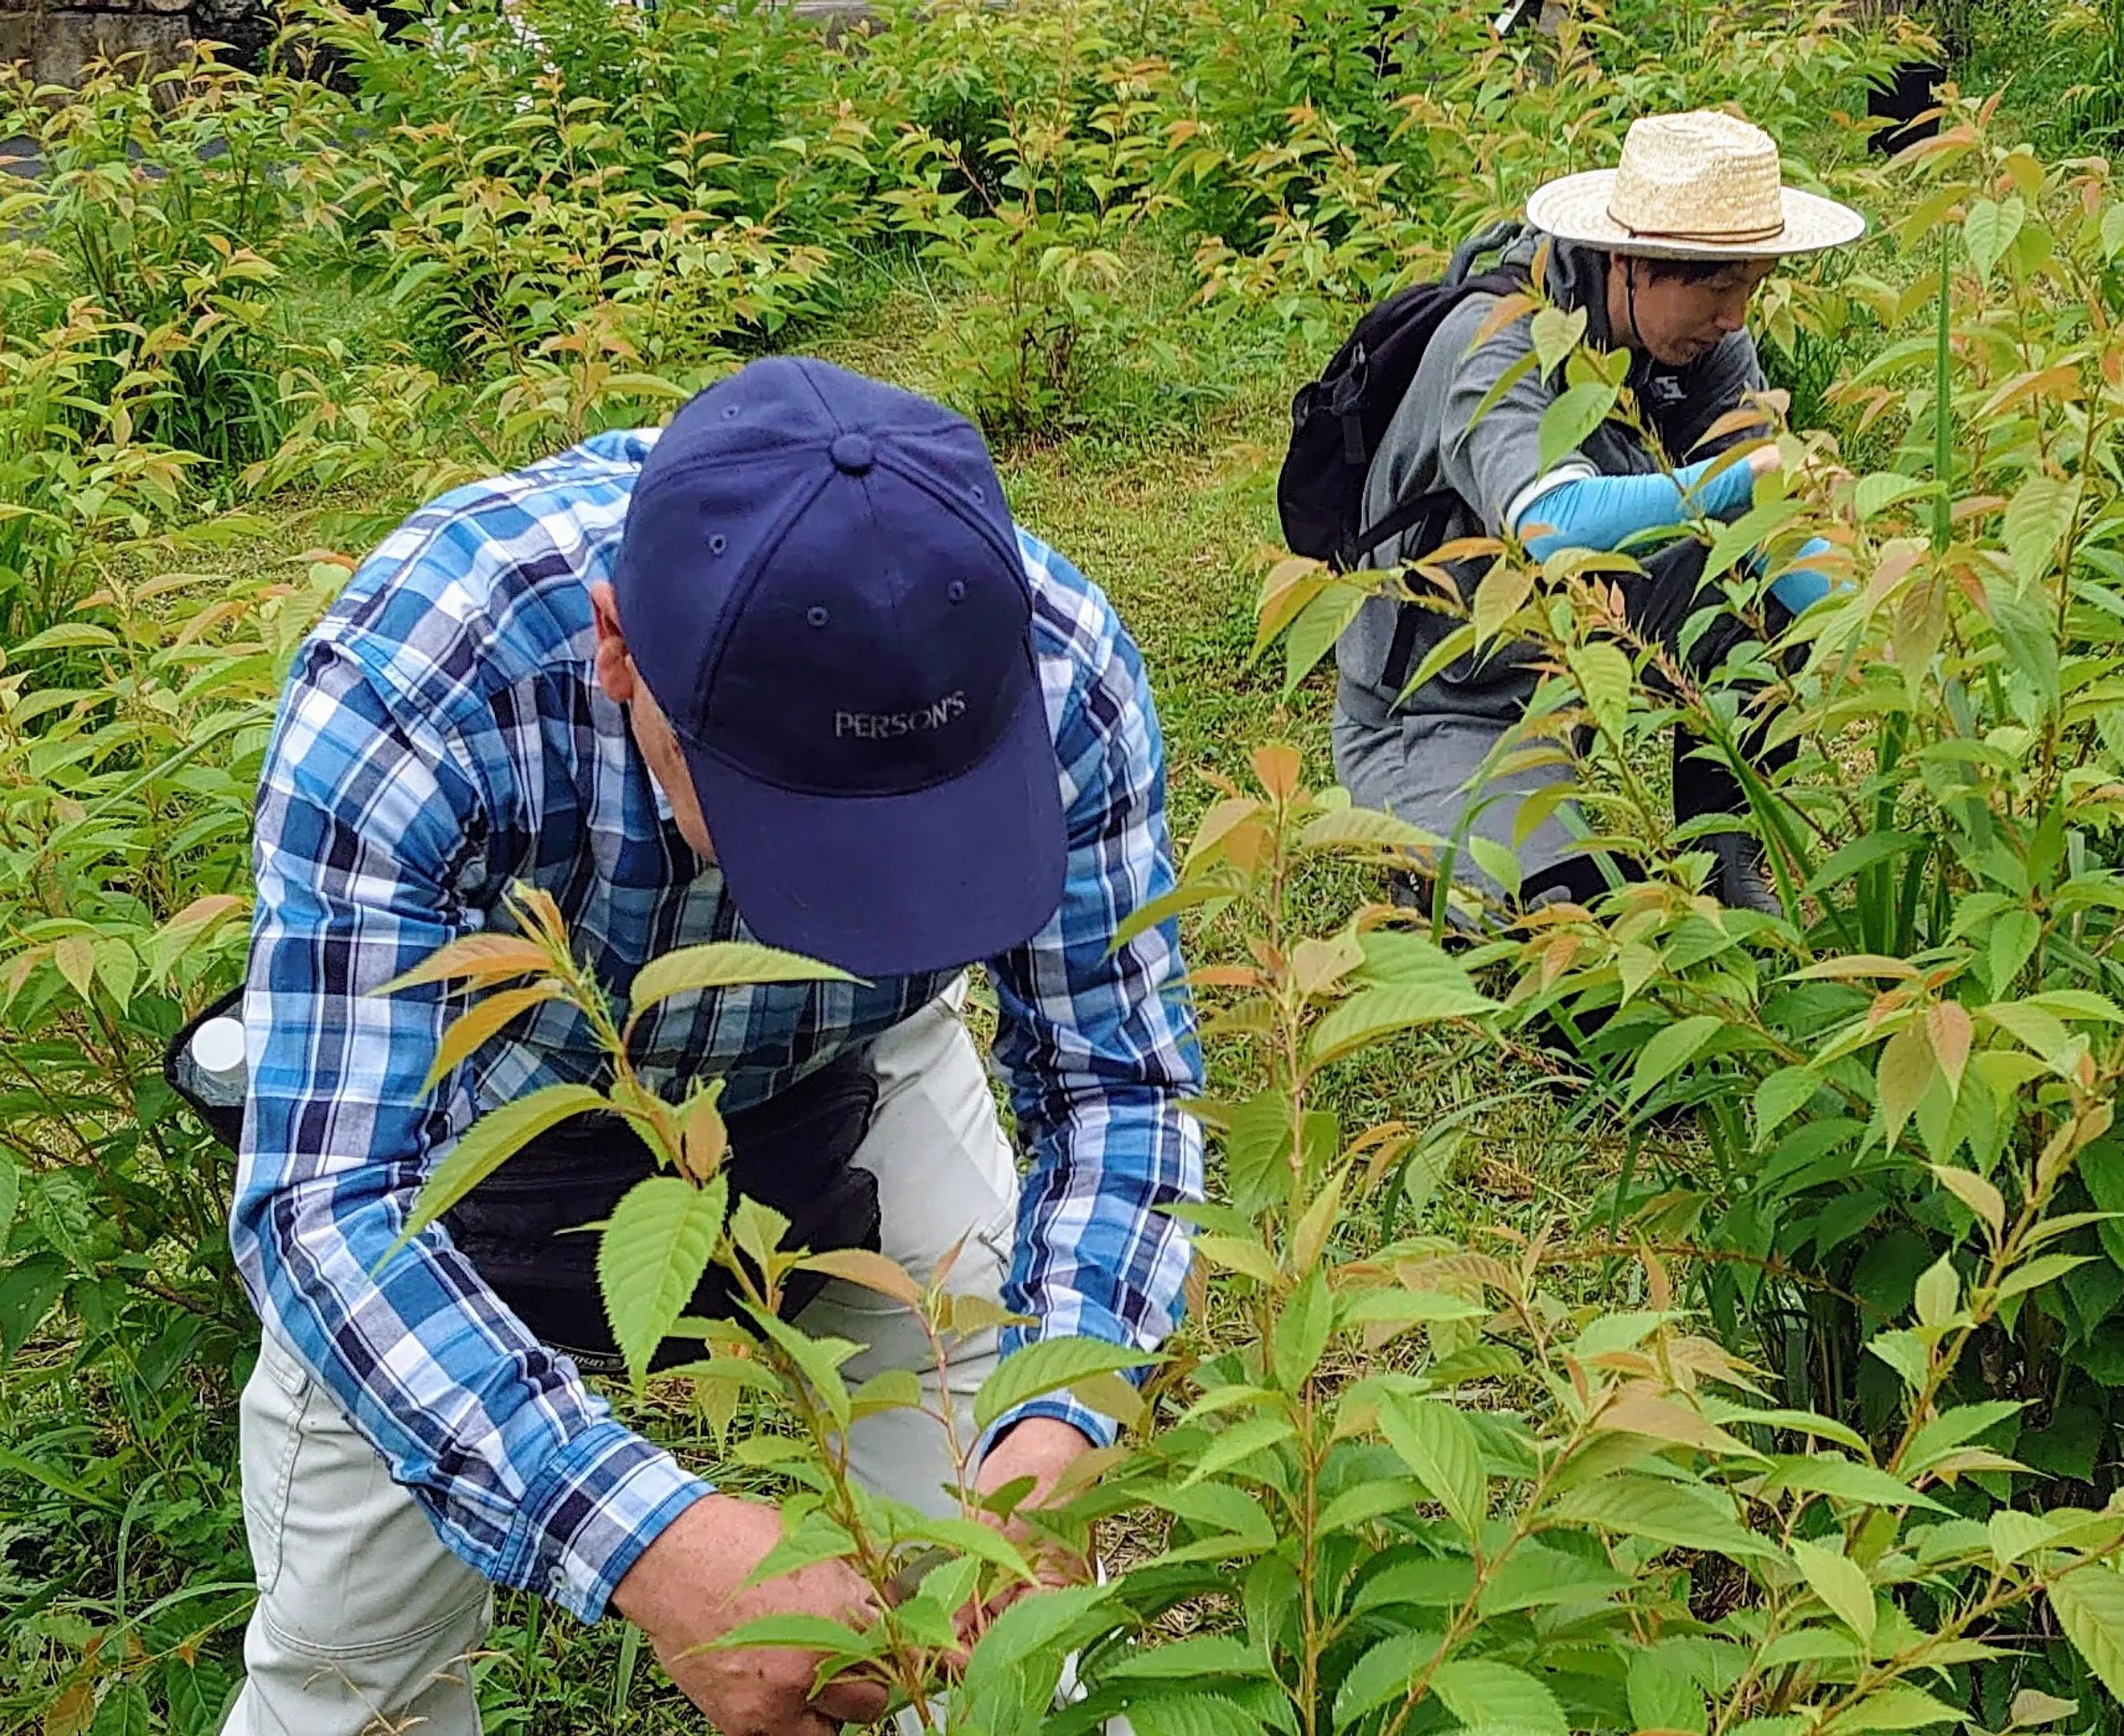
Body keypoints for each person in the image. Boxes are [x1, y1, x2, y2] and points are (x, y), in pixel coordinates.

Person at [221, 356, 1203, 1736]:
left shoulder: (1050, 668)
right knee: (351, 1684)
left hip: (849, 1078)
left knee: (1010, 1656)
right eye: (782, 810)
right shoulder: (426, 680)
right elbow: (325, 1202)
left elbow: (1120, 1087)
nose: (851, 892)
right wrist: (642, 1538)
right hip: (471, 1131)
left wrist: (1064, 1420)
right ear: (619, 648)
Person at [1332, 108, 1865, 916]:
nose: (1736, 317)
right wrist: (1731, 476)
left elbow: (1773, 527)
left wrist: (1870, 624)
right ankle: (1423, 857)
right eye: (1718, 286)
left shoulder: (1706, 343)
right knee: (1587, 934)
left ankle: (1724, 854)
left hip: (1568, 668)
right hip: (1441, 706)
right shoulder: (1497, 338)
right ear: (1627, 261)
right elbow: (1554, 528)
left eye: (1750, 285)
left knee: (1755, 594)